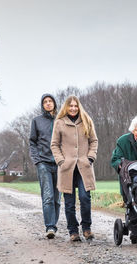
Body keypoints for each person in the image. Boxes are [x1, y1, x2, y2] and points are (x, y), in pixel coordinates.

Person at [51, 95, 98, 242]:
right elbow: (54, 144)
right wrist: (60, 161)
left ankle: (86, 228)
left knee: (85, 198)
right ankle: (73, 231)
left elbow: (94, 141)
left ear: (79, 107)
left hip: (84, 166)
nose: (73, 108)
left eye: (75, 106)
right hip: (67, 168)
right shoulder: (59, 123)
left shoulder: (86, 121)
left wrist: (90, 157)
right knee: (69, 202)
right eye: (70, 106)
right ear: (66, 107)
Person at [29, 93, 61, 239]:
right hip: (44, 163)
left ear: (54, 103)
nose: (48, 103)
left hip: (60, 164)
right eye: (45, 102)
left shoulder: (61, 120)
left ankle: (53, 223)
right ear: (42, 105)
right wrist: (37, 161)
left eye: (50, 101)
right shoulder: (36, 121)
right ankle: (50, 227)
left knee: (57, 198)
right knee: (47, 196)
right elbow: (32, 142)